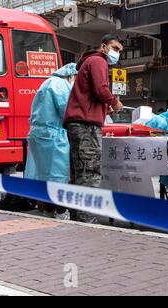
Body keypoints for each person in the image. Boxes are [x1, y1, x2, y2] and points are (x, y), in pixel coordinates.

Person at [63, 34, 124, 223]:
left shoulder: (89, 62)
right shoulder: (99, 61)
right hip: (86, 124)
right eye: (115, 48)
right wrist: (115, 102)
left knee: (80, 171)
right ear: (103, 46)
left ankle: (77, 215)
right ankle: (87, 219)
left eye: (120, 50)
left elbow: (93, 93)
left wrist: (105, 107)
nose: (117, 53)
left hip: (79, 123)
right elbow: (101, 89)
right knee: (90, 171)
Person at [25, 63, 78, 220]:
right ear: (71, 75)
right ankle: (60, 212)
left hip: (38, 135)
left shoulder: (47, 82)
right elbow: (66, 110)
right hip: (53, 136)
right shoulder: (60, 85)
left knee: (43, 175)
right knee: (58, 176)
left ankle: (48, 210)